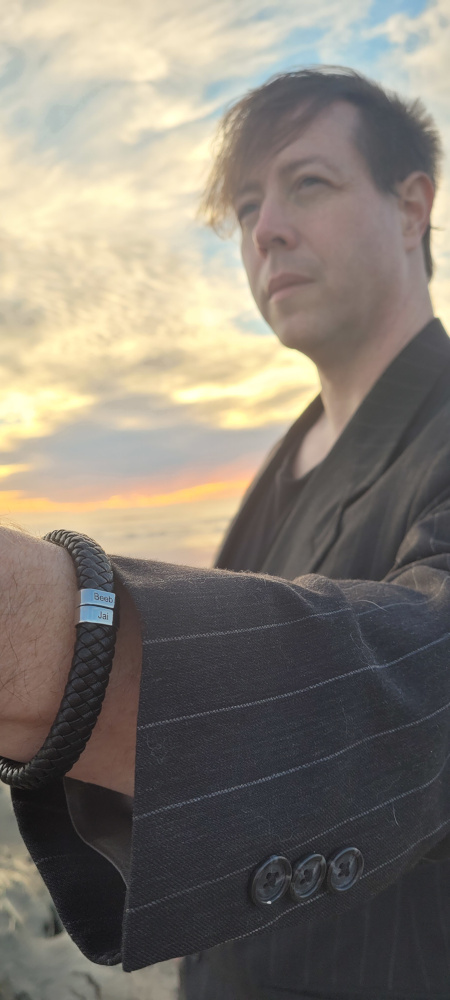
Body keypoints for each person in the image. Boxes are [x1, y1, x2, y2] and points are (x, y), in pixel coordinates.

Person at [2, 66, 450, 999]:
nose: (266, 229)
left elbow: (428, 673)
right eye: (246, 207)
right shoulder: (284, 460)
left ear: (413, 207)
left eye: (308, 184)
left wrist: (50, 635)